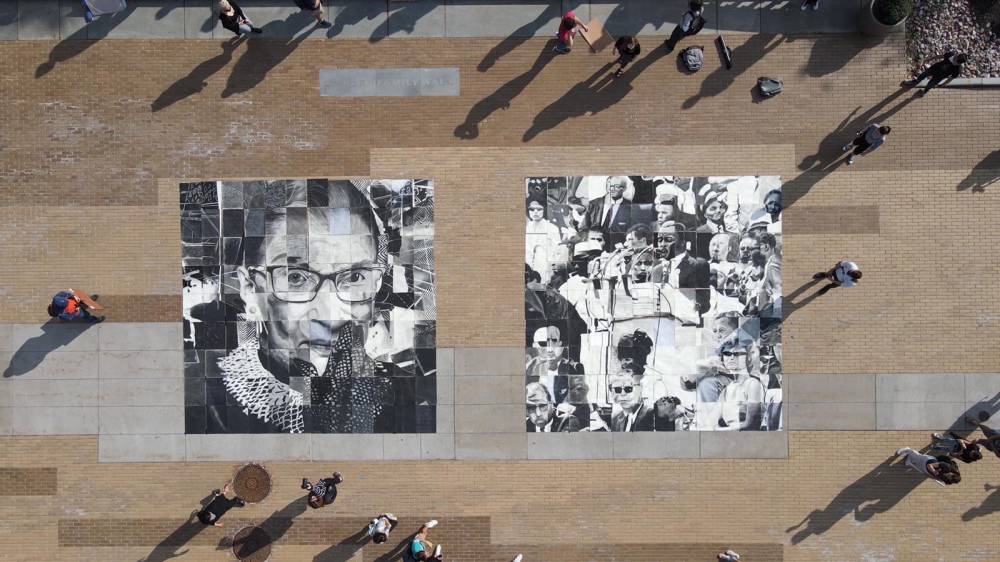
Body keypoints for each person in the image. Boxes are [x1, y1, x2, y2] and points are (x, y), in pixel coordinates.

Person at [189, 179, 435, 434]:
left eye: (354, 277)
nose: (329, 313)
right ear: (250, 288)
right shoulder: (201, 407)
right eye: (296, 277)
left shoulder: (411, 398)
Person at [525, 326, 585, 405]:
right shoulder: (528, 368)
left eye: (554, 341)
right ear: (535, 345)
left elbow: (578, 397)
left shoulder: (575, 368)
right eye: (543, 343)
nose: (550, 347)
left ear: (560, 344)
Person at [895, 447, 962, 486]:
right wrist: (934, 471)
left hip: (927, 470)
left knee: (917, 463)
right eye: (949, 475)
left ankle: (909, 459)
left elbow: (936, 477)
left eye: (948, 477)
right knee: (916, 456)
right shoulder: (947, 466)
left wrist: (929, 475)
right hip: (928, 461)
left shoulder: (947, 481)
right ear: (953, 473)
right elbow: (930, 465)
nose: (947, 475)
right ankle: (908, 450)